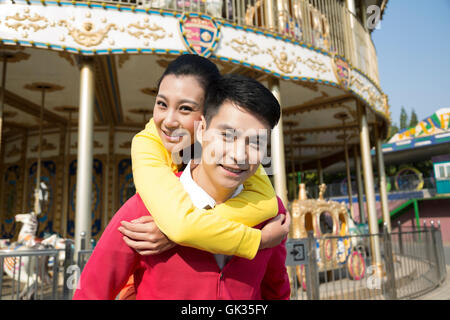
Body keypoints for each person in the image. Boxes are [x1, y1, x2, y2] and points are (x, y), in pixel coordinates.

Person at [73, 74, 290, 300]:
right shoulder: (144, 210)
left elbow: (276, 290)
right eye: (227, 136)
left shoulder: (272, 216)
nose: (238, 155)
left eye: (255, 142)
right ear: (202, 129)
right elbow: (91, 293)